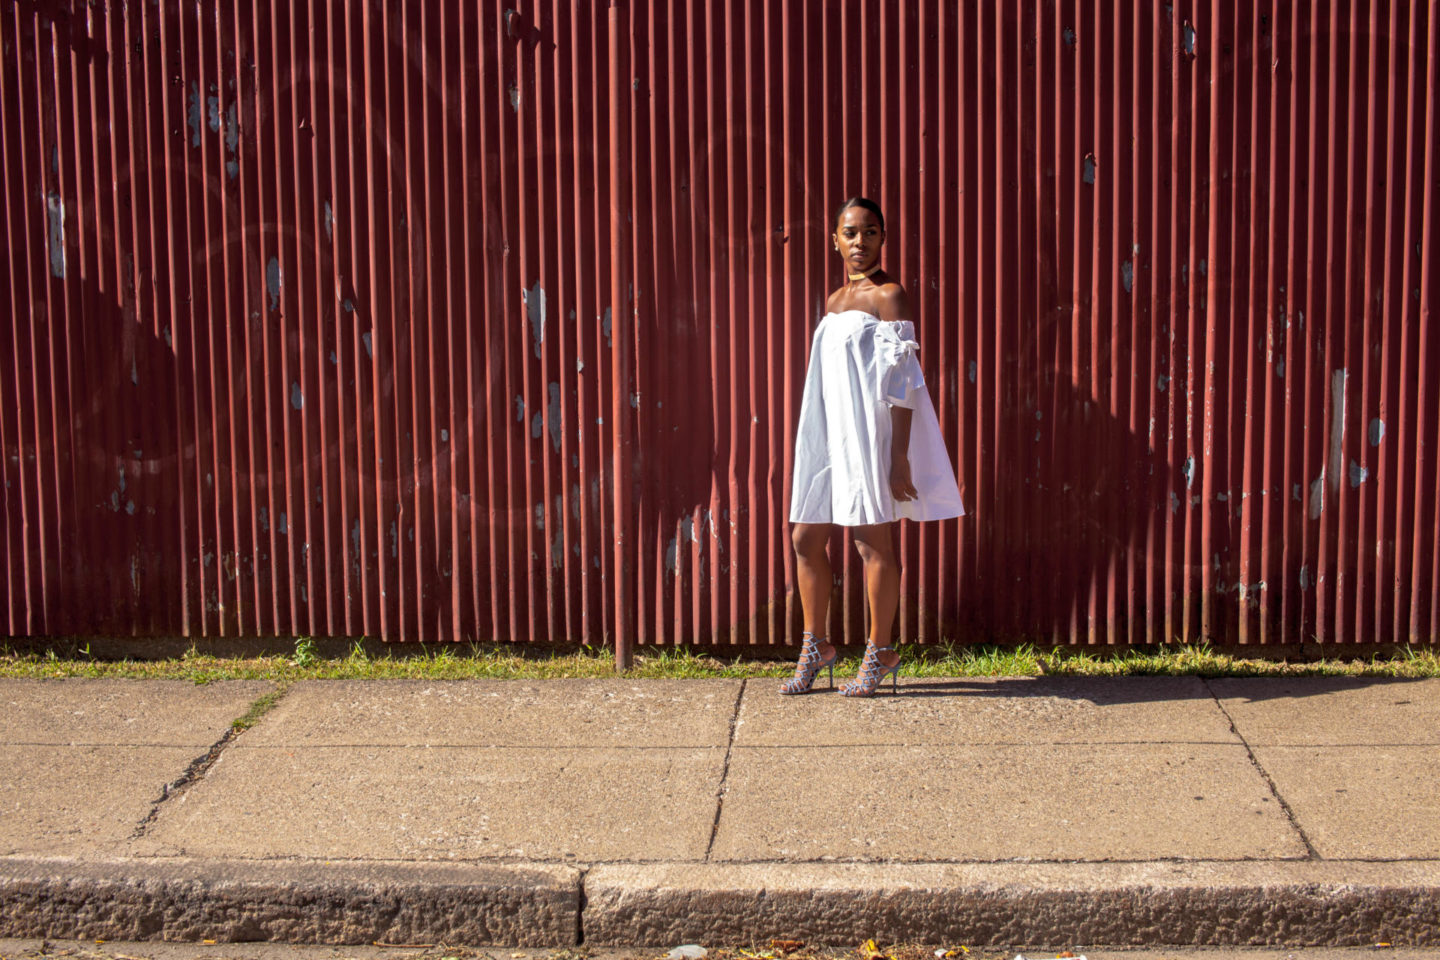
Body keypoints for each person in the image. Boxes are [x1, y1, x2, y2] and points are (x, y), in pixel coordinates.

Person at [782, 197, 965, 697]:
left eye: (870, 232)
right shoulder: (834, 300)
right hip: (829, 434)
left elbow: (904, 381)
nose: (859, 242)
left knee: (871, 544)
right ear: (835, 239)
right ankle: (816, 644)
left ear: (883, 239)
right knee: (804, 540)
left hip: (868, 435)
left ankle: (880, 650)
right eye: (850, 232)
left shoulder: (890, 296)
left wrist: (898, 455)